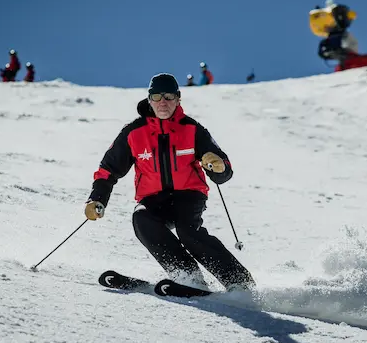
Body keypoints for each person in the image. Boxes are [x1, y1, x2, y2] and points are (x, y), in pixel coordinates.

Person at [85, 73, 255, 291]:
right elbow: (108, 170)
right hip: (153, 198)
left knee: (188, 231)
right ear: (149, 100)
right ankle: (187, 277)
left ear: (178, 98)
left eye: (168, 96)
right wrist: (96, 199)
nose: (162, 102)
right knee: (141, 218)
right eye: (156, 97)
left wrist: (218, 166)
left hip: (189, 194)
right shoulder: (133, 133)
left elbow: (223, 168)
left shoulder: (192, 129)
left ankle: (239, 282)